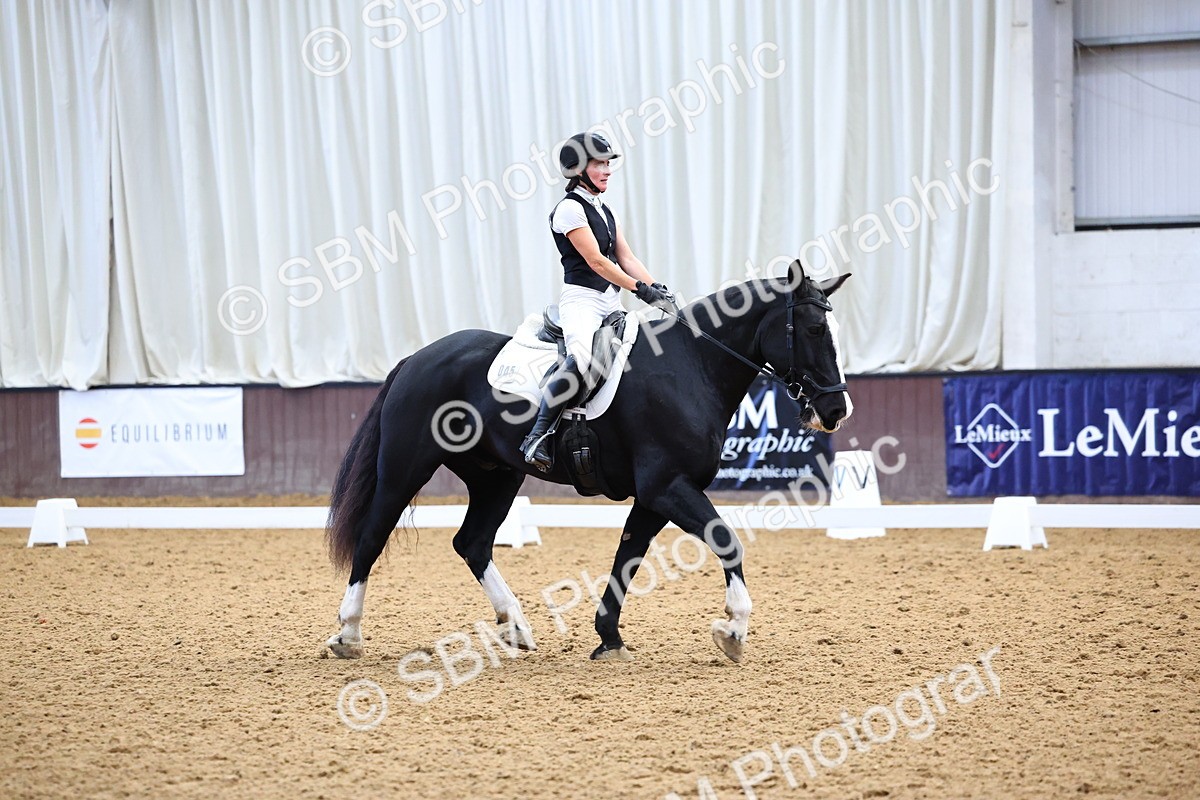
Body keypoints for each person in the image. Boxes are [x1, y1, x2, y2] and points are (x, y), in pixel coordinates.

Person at [519, 131, 677, 471]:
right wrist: (639, 289)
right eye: (598, 164)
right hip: (582, 302)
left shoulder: (606, 210)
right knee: (583, 358)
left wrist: (658, 291)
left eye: (607, 164)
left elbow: (626, 257)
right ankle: (537, 435)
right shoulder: (569, 210)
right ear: (577, 169)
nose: (606, 170)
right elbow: (598, 263)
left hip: (610, 301)